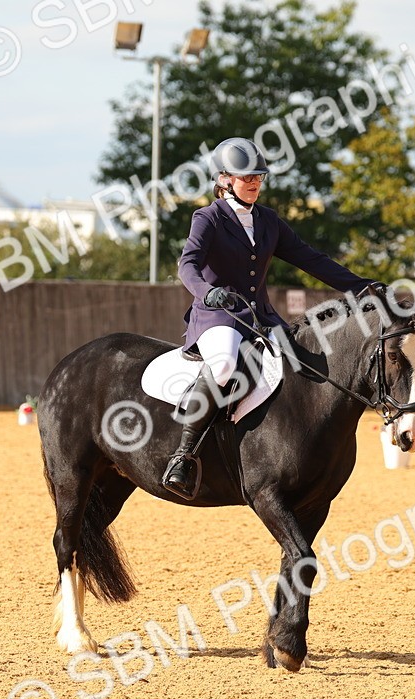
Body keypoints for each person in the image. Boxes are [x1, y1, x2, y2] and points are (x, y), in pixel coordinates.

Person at [162, 137, 382, 500]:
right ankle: (183, 456)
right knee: (223, 366)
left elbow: (311, 260)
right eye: (246, 177)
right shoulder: (208, 218)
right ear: (224, 179)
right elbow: (187, 264)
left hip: (262, 317)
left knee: (304, 364)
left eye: (259, 177)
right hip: (218, 316)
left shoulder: (268, 221)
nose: (254, 184)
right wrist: (206, 291)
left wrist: (363, 286)